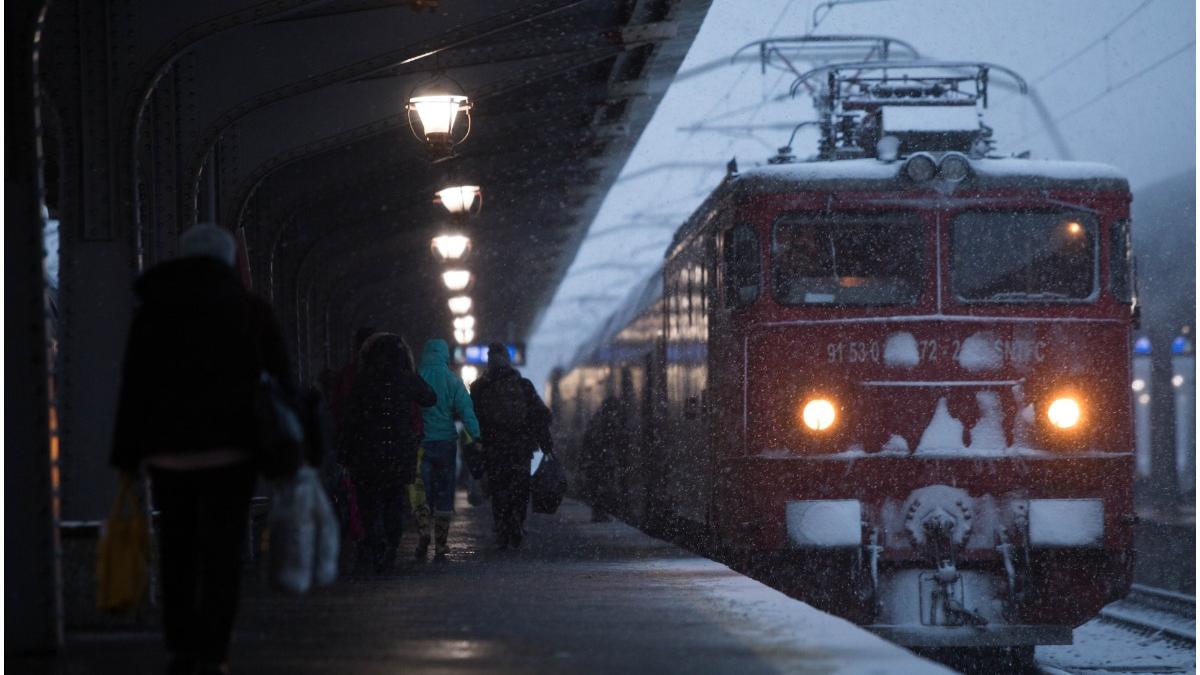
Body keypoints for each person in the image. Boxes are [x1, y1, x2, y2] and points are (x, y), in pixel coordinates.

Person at [111, 223, 293, 675]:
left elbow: (134, 387)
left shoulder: (152, 311)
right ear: (228, 259)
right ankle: (213, 650)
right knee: (221, 553)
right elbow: (282, 383)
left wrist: (127, 456)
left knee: (177, 548)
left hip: (168, 453)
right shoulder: (251, 311)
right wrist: (289, 451)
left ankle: (180, 644)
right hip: (232, 452)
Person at [340, 333, 436, 572]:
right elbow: (429, 398)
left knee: (369, 503)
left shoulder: (363, 380)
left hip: (367, 450)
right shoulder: (406, 378)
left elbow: (350, 418)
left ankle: (376, 541)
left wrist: (344, 449)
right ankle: (391, 546)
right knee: (394, 501)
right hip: (399, 450)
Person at [470, 343, 553, 549]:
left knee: (499, 489)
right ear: (508, 360)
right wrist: (545, 443)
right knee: (520, 488)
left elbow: (471, 417)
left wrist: (478, 441)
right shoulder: (523, 385)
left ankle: (501, 526)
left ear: (489, 361)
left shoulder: (479, 387)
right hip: (520, 448)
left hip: (494, 448)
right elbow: (541, 415)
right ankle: (517, 522)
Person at [416, 339, 481, 561]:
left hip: (421, 444)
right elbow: (466, 410)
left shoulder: (417, 376)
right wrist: (477, 435)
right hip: (446, 443)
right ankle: (441, 544)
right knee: (444, 491)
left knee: (421, 490)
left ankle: (423, 532)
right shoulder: (452, 380)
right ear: (445, 355)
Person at [580, 395, 626, 523]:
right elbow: (613, 440)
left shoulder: (596, 419)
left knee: (597, 488)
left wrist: (586, 460)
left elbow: (587, 441)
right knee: (604, 487)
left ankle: (598, 512)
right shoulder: (609, 421)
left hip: (595, 460)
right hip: (603, 460)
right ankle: (601, 513)